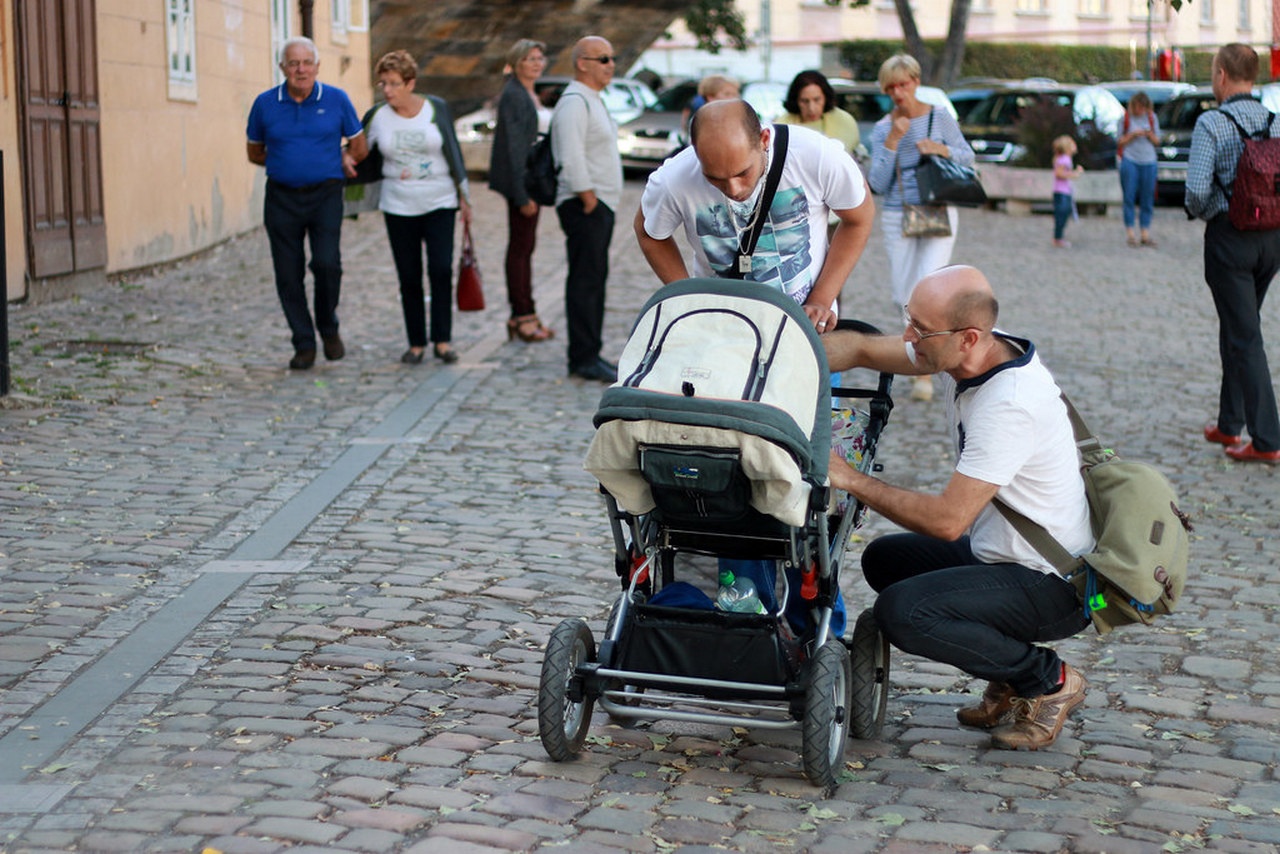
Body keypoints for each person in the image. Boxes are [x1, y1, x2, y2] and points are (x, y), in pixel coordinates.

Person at [825, 265, 1093, 751]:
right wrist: (777, 360)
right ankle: (1006, 677)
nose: (909, 338)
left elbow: (947, 522)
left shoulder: (1008, 405)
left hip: (1053, 582)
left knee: (902, 612)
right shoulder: (974, 352)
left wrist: (848, 478)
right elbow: (864, 349)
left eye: (920, 331)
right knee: (884, 560)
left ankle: (1047, 679)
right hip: (1003, 553)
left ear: (969, 337)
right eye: (910, 320)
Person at [634, 97, 875, 636]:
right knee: (732, 474)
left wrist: (824, 294)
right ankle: (745, 610)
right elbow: (649, 229)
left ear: (764, 140)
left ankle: (817, 623)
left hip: (805, 342)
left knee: (808, 481)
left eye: (743, 173)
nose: (734, 188)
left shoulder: (815, 157)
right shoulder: (675, 178)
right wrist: (684, 298)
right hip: (725, 349)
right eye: (716, 178)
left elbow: (859, 217)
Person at [247, 37, 367, 370]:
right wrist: (288, 162)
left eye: (306, 63)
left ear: (317, 66)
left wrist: (342, 156)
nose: (301, 69)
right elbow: (255, 152)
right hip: (282, 197)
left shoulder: (336, 99)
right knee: (288, 273)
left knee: (328, 264)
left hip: (325, 194)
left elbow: (360, 147)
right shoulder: (265, 104)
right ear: (282, 67)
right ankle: (304, 342)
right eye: (293, 63)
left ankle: (328, 326)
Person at [1185, 43, 1280, 464]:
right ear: (1253, 76)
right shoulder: (1276, 122)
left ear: (1222, 75)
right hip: (1272, 238)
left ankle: (1266, 439)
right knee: (1239, 325)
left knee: (1244, 335)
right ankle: (1229, 422)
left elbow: (1195, 191)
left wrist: (1209, 214)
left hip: (1231, 239)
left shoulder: (1212, 122)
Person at [866, 53, 976, 402]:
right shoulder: (884, 127)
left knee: (930, 283)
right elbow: (878, 183)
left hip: (936, 209)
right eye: (891, 87)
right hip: (899, 213)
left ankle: (928, 373)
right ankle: (919, 358)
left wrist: (941, 148)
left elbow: (968, 156)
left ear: (915, 81)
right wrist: (892, 143)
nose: (899, 92)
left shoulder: (939, 116)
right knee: (904, 293)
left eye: (904, 83)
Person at [364, 50, 471, 365]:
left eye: (394, 83)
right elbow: (358, 151)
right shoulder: (377, 117)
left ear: (411, 83)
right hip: (398, 204)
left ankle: (442, 339)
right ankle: (415, 343)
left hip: (439, 201)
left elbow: (452, 150)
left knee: (440, 270)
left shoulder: (435, 109)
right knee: (408, 275)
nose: (387, 90)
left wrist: (465, 198)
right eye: (383, 83)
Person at [553, 36, 625, 382]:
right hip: (586, 206)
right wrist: (588, 197)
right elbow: (569, 155)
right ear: (583, 63)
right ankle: (582, 357)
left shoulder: (592, 99)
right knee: (585, 281)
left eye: (612, 59)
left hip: (600, 204)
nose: (611, 65)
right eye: (603, 59)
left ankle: (591, 351)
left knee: (595, 280)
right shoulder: (574, 101)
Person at [489, 38, 555, 344]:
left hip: (532, 179)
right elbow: (514, 148)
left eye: (540, 58)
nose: (537, 63)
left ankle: (526, 312)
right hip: (523, 182)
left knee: (525, 248)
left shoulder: (530, 92)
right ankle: (522, 315)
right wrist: (521, 193)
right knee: (520, 249)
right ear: (516, 63)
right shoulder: (514, 95)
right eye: (530, 58)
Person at [777, 69, 861, 159]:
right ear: (796, 101)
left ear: (825, 97)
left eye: (817, 100)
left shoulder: (844, 122)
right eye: (804, 101)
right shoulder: (782, 126)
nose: (811, 108)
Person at [1118, 91, 1160, 248]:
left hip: (1149, 160)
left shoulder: (1152, 118)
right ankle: (1130, 232)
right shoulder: (1125, 119)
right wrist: (1133, 135)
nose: (1140, 110)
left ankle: (1145, 232)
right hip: (1130, 159)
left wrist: (1149, 134)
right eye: (1138, 107)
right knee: (1129, 196)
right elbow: (1120, 141)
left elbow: (1157, 141)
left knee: (1147, 197)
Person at [1051, 135, 1084, 248]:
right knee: (1062, 215)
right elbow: (1059, 173)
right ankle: (1058, 238)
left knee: (1062, 215)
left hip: (1063, 191)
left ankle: (1058, 237)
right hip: (1062, 192)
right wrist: (1074, 174)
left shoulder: (1063, 158)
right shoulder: (1065, 159)